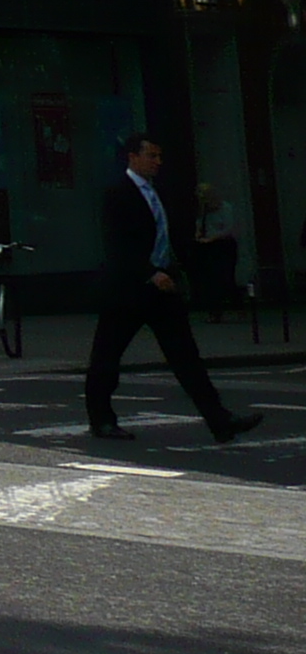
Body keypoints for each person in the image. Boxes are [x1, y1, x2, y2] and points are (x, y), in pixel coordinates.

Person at [86, 134, 261, 445]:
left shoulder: (160, 193)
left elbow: (173, 235)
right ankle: (101, 420)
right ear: (132, 157)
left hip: (163, 287)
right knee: (107, 356)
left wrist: (181, 273)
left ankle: (220, 421)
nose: (157, 162)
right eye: (151, 156)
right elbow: (117, 245)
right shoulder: (118, 193)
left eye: (159, 156)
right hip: (127, 289)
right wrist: (149, 273)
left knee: (186, 357)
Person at [190, 183, 243, 309]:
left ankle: (237, 304)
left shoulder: (225, 208)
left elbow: (229, 228)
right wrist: (198, 233)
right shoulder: (203, 211)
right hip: (209, 245)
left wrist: (211, 238)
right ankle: (214, 309)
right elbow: (200, 224)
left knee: (226, 276)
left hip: (224, 245)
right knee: (210, 278)